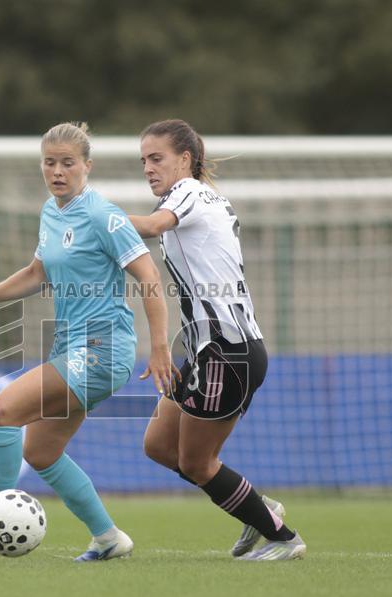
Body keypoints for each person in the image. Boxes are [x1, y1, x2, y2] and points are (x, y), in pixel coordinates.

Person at [0, 121, 176, 562]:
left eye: (68, 163)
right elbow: (36, 273)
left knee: (2, 410)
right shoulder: (51, 213)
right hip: (70, 348)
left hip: (103, 350)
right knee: (42, 450)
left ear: (87, 166)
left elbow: (149, 276)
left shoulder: (103, 215)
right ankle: (108, 538)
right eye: (50, 163)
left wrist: (160, 345)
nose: (58, 171)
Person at [127, 119, 306, 561]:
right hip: (210, 350)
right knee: (159, 446)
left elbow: (149, 227)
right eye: (143, 161)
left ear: (185, 159)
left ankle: (285, 539)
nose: (148, 168)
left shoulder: (187, 192)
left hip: (229, 352)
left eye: (157, 158)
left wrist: (90, 216)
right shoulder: (202, 199)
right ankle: (257, 507)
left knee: (196, 463)